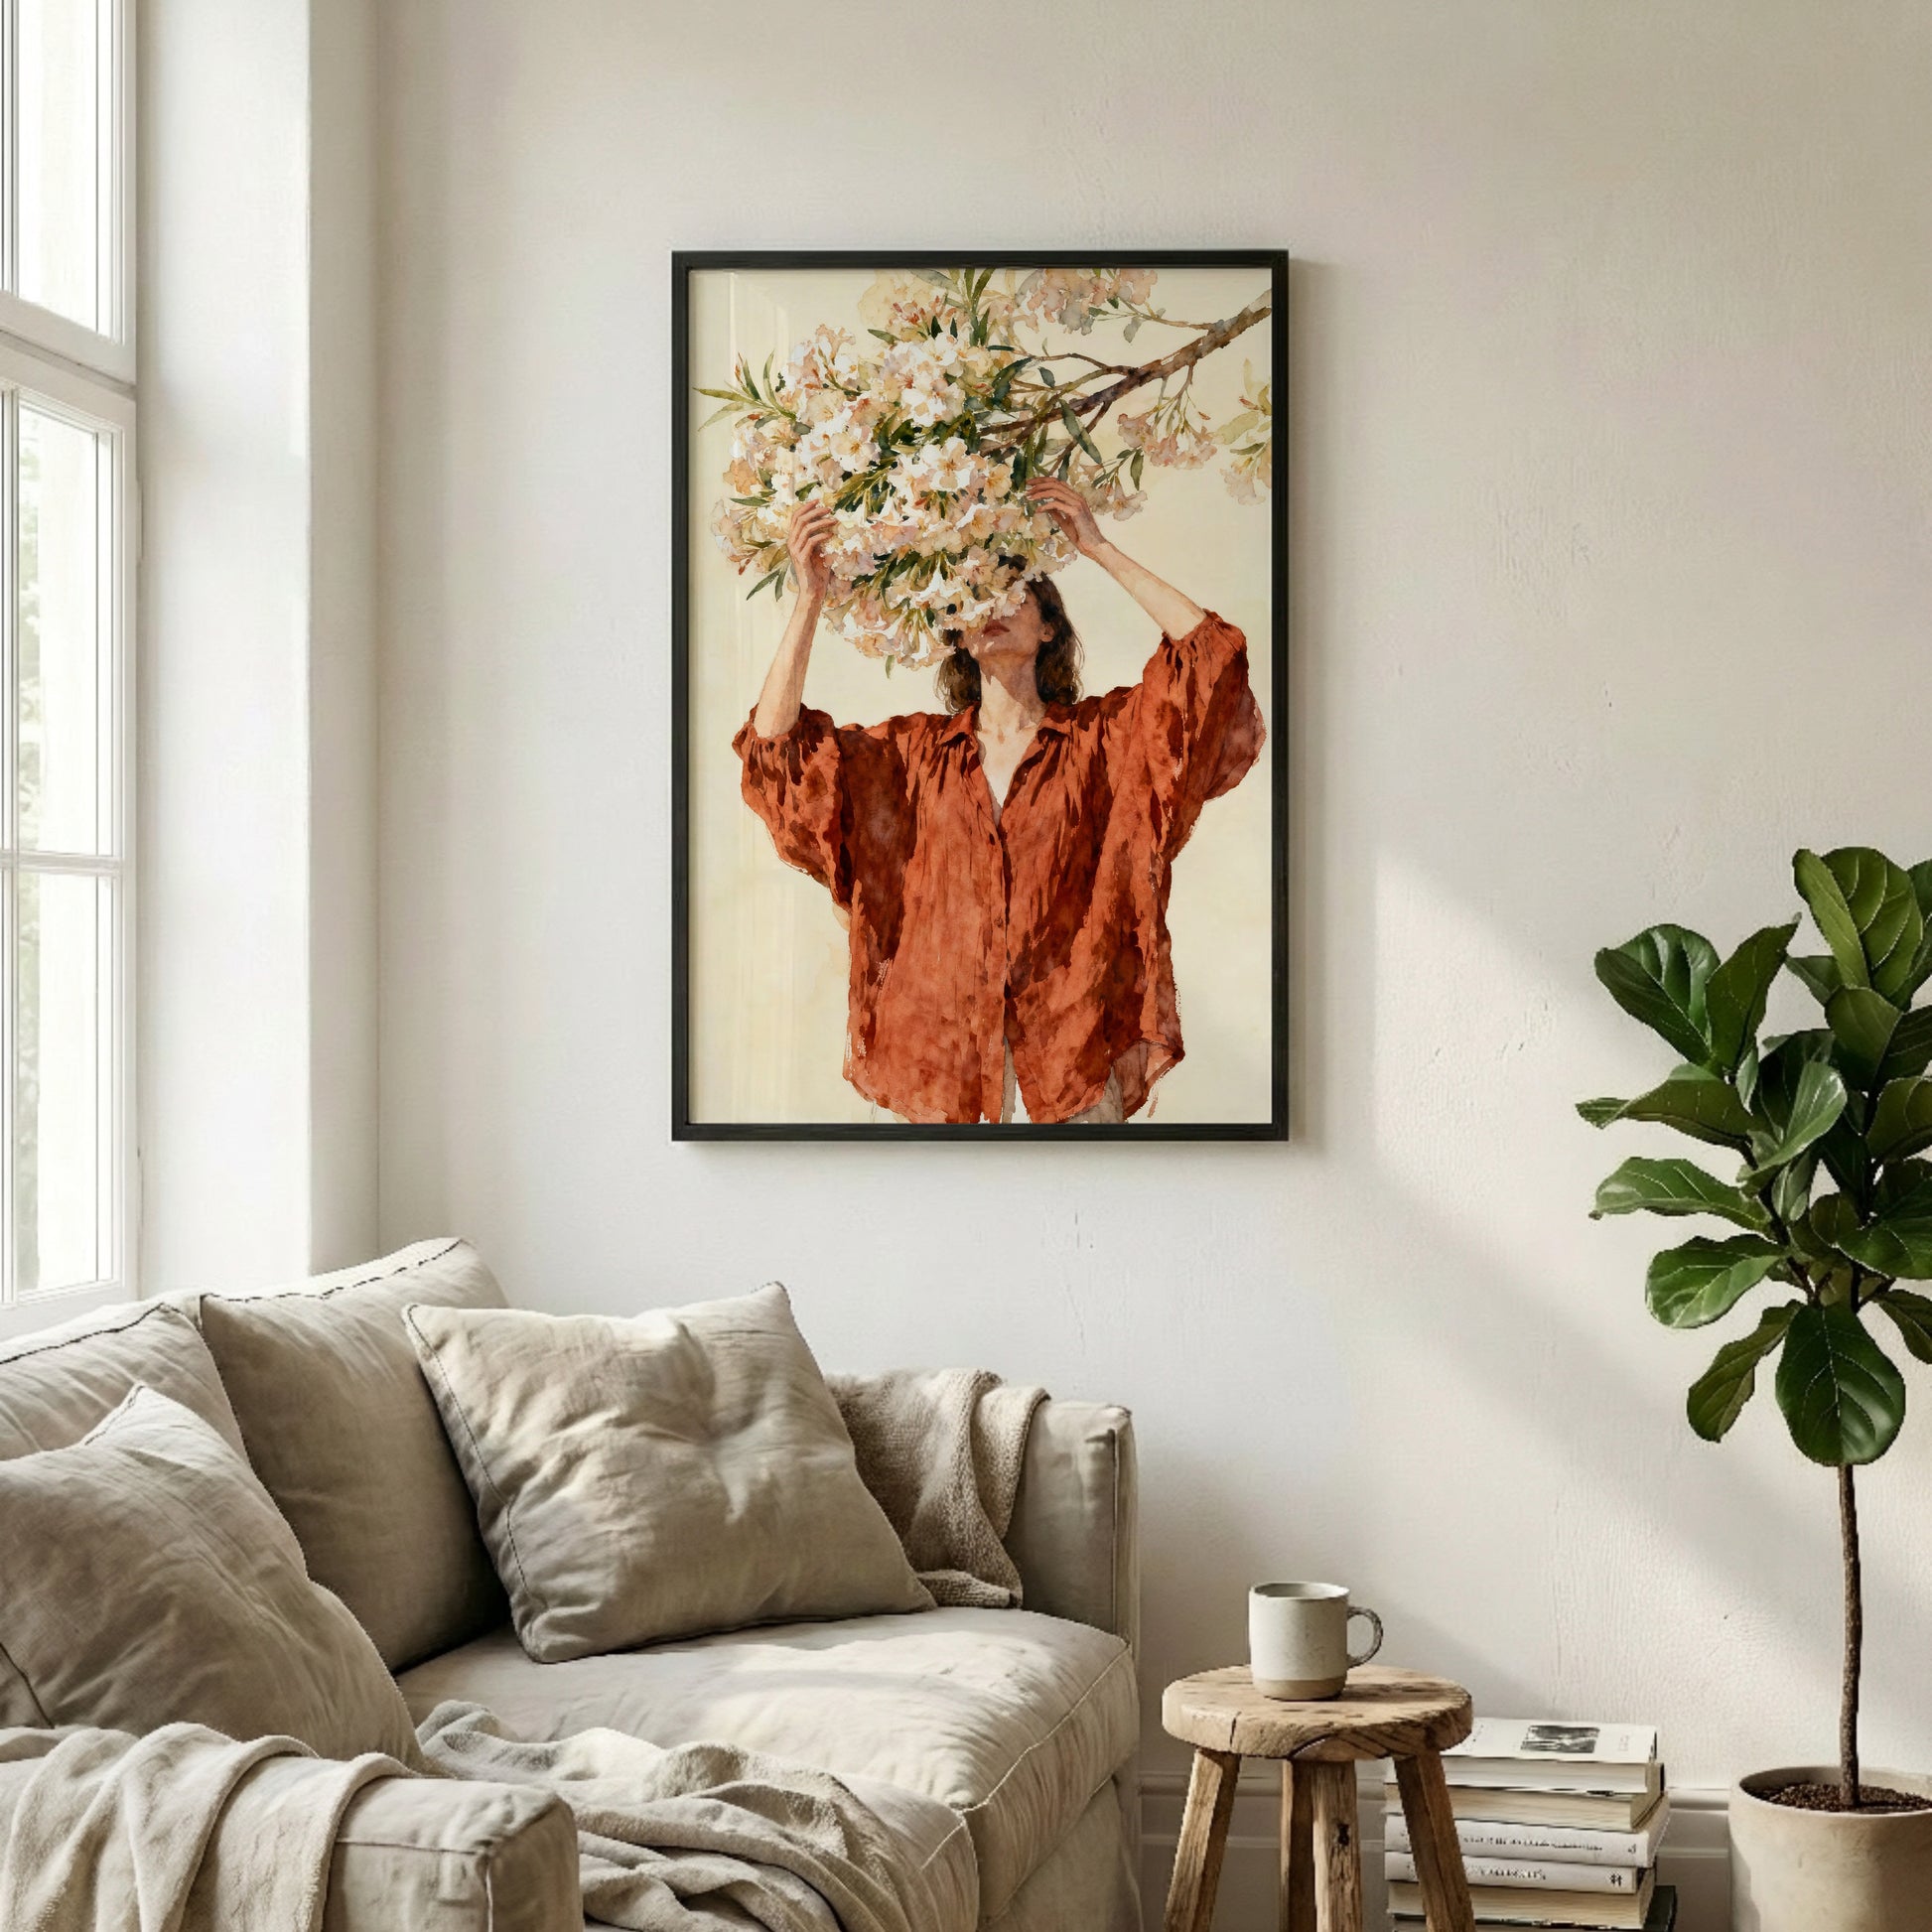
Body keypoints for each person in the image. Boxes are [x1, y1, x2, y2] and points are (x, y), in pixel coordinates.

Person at [735, 477, 1265, 1125]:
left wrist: (1097, 547)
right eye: (976, 596)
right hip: (941, 1064)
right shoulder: (911, 758)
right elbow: (778, 752)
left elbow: (1210, 658)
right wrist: (809, 598)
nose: (994, 605)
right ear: (957, 635)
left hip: (1071, 1058)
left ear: (1049, 629)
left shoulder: (1102, 744)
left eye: (1014, 592)